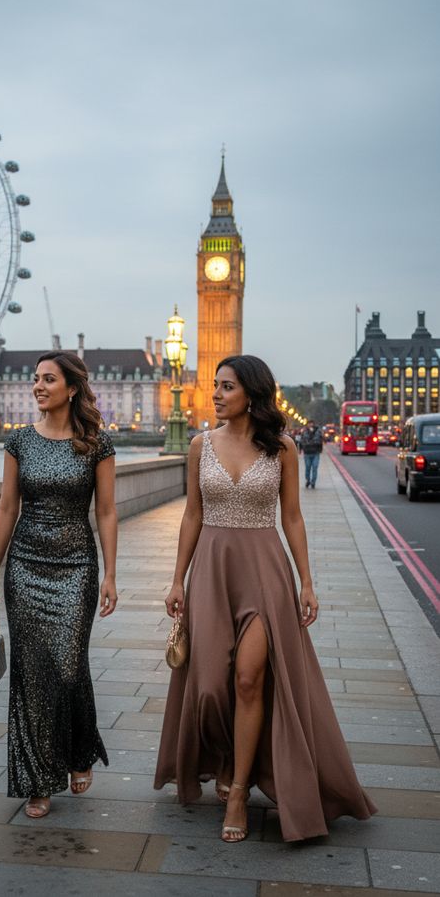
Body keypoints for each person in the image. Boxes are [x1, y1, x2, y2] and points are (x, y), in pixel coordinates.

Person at [154, 355, 375, 842]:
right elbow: (192, 515)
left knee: (251, 679)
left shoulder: (284, 449)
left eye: (225, 386)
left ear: (250, 394)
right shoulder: (199, 446)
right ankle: (231, 756)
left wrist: (307, 581)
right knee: (210, 686)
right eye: (215, 385)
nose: (214, 394)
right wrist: (176, 580)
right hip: (212, 570)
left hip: (265, 572)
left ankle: (238, 795)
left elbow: (292, 517)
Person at [0, 351, 118, 819]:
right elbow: (5, 508)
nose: (37, 386)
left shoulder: (96, 444)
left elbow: (106, 511)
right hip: (25, 564)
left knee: (67, 665)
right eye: (34, 378)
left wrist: (112, 573)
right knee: (31, 673)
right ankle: (37, 777)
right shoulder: (19, 442)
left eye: (48, 379)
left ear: (71, 388)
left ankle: (79, 748)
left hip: (77, 564)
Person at [299, 421, 323, 488]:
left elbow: (320, 440)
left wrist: (320, 449)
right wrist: (300, 450)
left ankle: (313, 482)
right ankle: (308, 480)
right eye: (309, 424)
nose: (310, 425)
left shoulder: (318, 432)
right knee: (308, 467)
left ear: (313, 424)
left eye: (311, 424)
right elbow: (301, 441)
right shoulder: (304, 431)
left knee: (315, 467)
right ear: (307, 425)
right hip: (307, 452)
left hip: (315, 453)